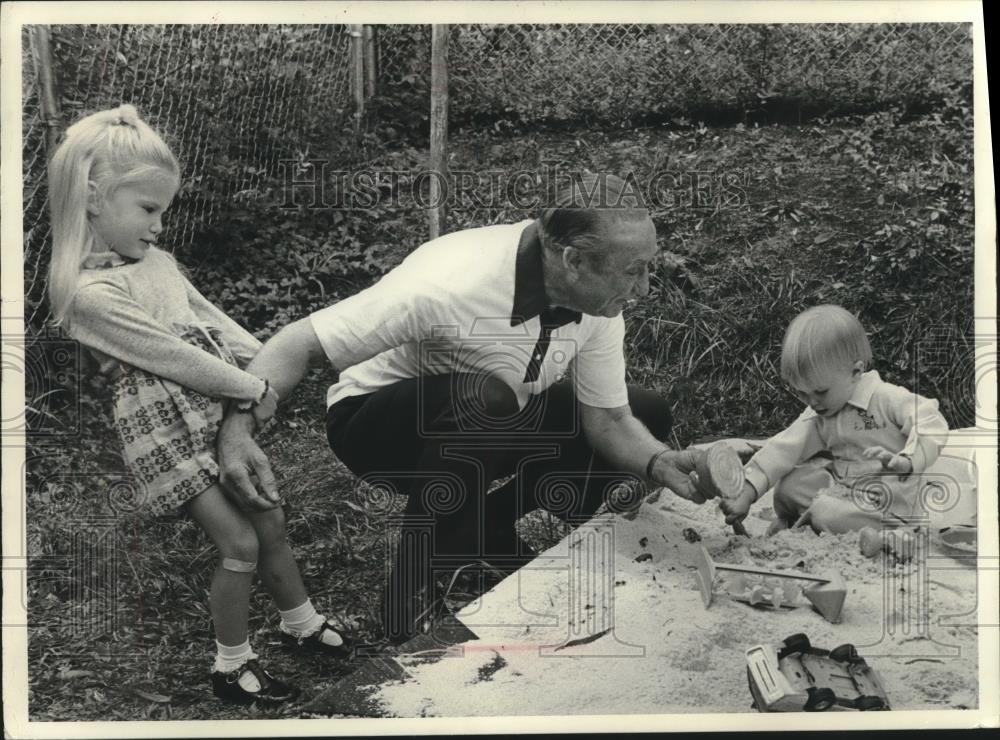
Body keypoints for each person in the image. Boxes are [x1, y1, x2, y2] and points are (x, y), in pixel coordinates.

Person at [216, 174, 713, 643]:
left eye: (648, 266)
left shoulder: (594, 300)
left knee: (646, 412)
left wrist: (659, 462)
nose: (645, 287)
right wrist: (237, 432)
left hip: (494, 415)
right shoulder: (452, 282)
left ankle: (484, 528)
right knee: (489, 401)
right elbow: (297, 344)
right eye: (633, 272)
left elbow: (607, 420)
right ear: (573, 261)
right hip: (377, 425)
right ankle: (409, 597)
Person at [47, 104, 352, 706]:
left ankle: (302, 623)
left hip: (212, 409)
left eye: (164, 210)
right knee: (238, 543)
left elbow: (211, 325)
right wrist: (251, 389)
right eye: (148, 209)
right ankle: (231, 666)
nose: (159, 226)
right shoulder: (88, 293)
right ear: (90, 198)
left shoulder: (157, 262)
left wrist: (268, 361)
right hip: (162, 430)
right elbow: (171, 356)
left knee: (270, 519)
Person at [720, 304, 950, 534]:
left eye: (820, 392)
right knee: (788, 487)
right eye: (802, 392)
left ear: (856, 373)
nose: (812, 402)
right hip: (842, 489)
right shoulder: (820, 412)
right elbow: (782, 450)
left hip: (888, 501)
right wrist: (747, 493)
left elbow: (932, 423)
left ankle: (880, 535)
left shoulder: (886, 398)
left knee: (826, 512)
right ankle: (800, 519)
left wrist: (909, 460)